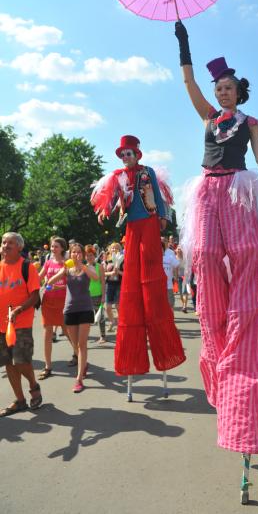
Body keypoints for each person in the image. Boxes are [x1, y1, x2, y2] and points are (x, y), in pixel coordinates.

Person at [175, 20, 258, 454]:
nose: (221, 92)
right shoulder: (208, 116)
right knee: (204, 254)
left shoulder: (251, 121)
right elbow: (188, 82)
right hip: (208, 187)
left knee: (244, 252)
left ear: (238, 91)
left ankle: (245, 327)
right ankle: (215, 331)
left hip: (240, 186)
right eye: (217, 87)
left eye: (227, 87)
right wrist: (184, 43)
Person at [91, 135, 185, 375]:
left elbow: (158, 196)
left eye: (128, 153)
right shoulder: (118, 176)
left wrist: (163, 217)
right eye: (122, 154)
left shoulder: (147, 172)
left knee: (151, 264)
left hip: (150, 222)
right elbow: (111, 198)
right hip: (132, 226)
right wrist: (105, 211)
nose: (125, 157)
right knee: (132, 270)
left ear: (137, 154)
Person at [0, 232, 42, 415]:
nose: (5, 246)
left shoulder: (27, 267)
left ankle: (33, 385)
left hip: (21, 323)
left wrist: (19, 309)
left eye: (10, 243)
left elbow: (35, 296)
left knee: (21, 361)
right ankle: (20, 400)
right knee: (9, 363)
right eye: (3, 242)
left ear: (19, 247)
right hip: (2, 325)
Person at [48, 243, 99, 392]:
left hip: (85, 309)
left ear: (82, 255)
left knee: (82, 344)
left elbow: (95, 278)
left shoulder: (87, 268)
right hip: (70, 310)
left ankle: (79, 379)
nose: (75, 255)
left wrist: (82, 266)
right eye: (73, 252)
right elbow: (50, 282)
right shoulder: (67, 270)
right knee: (76, 345)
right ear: (69, 255)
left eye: (78, 252)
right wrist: (62, 271)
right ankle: (83, 364)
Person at [37, 236, 74, 379]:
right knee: (47, 332)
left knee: (67, 330)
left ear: (62, 248)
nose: (53, 249)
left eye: (56, 246)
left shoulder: (67, 264)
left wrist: (56, 285)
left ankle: (78, 354)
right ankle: (48, 366)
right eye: (52, 246)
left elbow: (72, 282)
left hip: (62, 300)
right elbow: (39, 277)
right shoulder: (48, 263)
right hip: (48, 301)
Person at [86, 244, 107, 344]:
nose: (89, 257)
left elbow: (103, 282)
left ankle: (102, 336)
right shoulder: (84, 268)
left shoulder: (99, 267)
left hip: (98, 295)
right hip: (86, 296)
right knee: (87, 317)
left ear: (94, 256)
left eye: (91, 255)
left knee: (100, 317)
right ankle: (85, 336)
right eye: (87, 255)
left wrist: (103, 296)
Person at [104, 242, 123, 331]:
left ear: (120, 250)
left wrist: (118, 272)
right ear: (110, 250)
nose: (114, 249)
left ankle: (120, 324)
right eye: (113, 248)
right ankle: (112, 321)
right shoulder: (107, 260)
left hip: (118, 285)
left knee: (118, 306)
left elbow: (126, 274)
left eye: (116, 248)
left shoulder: (122, 260)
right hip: (109, 284)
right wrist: (111, 273)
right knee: (107, 307)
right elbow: (103, 273)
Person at [162, 236, 180, 309]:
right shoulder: (155, 251)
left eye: (164, 241)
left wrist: (175, 277)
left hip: (168, 283)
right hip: (157, 284)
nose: (162, 243)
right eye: (161, 242)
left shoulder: (171, 253)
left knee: (170, 305)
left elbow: (176, 265)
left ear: (167, 242)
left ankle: (171, 319)